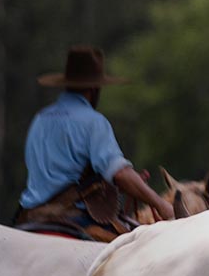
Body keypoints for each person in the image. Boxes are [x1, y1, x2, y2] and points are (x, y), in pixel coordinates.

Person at [14, 46, 174, 242]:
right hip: (74, 218)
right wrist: (160, 204)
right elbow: (120, 173)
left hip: (28, 215)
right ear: (94, 89)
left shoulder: (40, 118)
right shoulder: (93, 122)